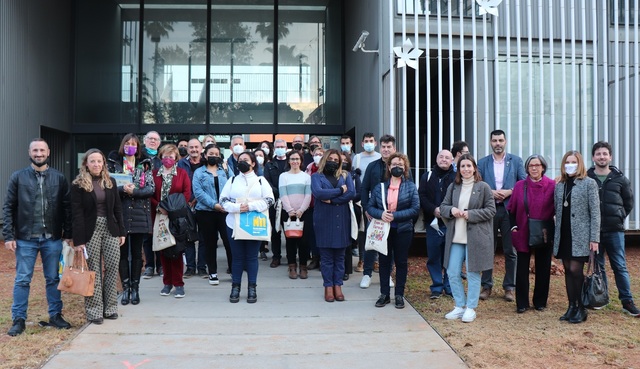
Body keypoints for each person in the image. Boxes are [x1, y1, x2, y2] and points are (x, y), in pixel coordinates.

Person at [4, 138, 73, 336]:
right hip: (26, 238)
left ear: (48, 152)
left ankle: (55, 315)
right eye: (35, 150)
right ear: (30, 152)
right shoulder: (18, 177)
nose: (39, 154)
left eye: (42, 150)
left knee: (52, 279)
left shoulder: (59, 178)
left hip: (52, 239)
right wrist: (8, 235)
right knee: (23, 280)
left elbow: (67, 208)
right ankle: (19, 319)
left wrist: (67, 235)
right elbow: (8, 207)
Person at [71, 149, 126, 324]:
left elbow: (118, 209)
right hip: (90, 230)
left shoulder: (110, 182)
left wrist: (122, 231)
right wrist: (79, 240)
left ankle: (110, 308)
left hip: (110, 229)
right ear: (86, 163)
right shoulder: (78, 185)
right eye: (92, 161)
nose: (96, 164)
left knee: (112, 266)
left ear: (104, 164)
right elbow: (76, 214)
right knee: (93, 269)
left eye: (99, 161)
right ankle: (94, 310)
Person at [440, 154, 496, 323]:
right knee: (452, 272)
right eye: (462, 166)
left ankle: (471, 308)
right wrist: (451, 210)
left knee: (473, 272)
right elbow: (443, 206)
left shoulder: (483, 187)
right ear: (458, 169)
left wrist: (470, 214)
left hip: (475, 237)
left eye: (469, 166)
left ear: (474, 168)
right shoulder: (454, 187)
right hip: (456, 237)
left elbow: (491, 210)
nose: (466, 169)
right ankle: (459, 305)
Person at [587, 142, 639, 316]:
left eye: (605, 154)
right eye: (598, 154)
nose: (602, 157)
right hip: (594, 232)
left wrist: (618, 216)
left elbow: (628, 203)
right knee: (598, 266)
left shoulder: (620, 179)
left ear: (610, 157)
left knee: (620, 266)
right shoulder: (587, 178)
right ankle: (601, 298)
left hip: (614, 230)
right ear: (593, 157)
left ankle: (627, 302)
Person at [476, 129, 526, 301]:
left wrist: (509, 192)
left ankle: (509, 287)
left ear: (505, 142)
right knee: (487, 248)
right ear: (490, 142)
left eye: (501, 140)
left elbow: (523, 183)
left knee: (510, 250)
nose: (498, 143)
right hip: (488, 210)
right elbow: (477, 183)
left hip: (509, 210)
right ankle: (486, 286)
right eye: (495, 140)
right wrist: (490, 192)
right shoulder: (482, 162)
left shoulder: (516, 161)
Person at [220, 151, 274, 303]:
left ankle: (252, 288)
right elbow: (223, 200)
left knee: (251, 258)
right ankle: (235, 287)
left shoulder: (261, 181)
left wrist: (250, 206)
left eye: (246, 159)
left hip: (254, 224)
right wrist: (237, 208)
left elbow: (270, 200)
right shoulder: (231, 180)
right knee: (236, 258)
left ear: (253, 163)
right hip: (234, 224)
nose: (242, 161)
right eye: (240, 159)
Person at [107, 134, 155, 306]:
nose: (130, 146)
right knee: (121, 254)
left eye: (134, 144)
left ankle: (135, 288)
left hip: (139, 213)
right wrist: (122, 190)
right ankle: (125, 288)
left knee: (136, 254)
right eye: (127, 143)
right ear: (122, 145)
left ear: (138, 147)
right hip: (119, 213)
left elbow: (151, 188)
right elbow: (108, 186)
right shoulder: (113, 163)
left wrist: (133, 192)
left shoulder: (145, 165)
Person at [368, 153, 420, 309]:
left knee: (401, 262)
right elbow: (370, 207)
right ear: (388, 167)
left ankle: (399, 295)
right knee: (384, 262)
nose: (397, 167)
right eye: (394, 164)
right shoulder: (380, 187)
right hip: (384, 230)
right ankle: (384, 294)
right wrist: (381, 214)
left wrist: (395, 216)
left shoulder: (410, 186)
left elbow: (415, 208)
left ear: (405, 168)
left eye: (401, 165)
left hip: (402, 230)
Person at [554, 150, 600, 324]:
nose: (569, 165)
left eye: (573, 162)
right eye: (567, 162)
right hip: (564, 234)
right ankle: (571, 305)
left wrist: (594, 238)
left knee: (575, 270)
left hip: (581, 235)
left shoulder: (589, 184)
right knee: (567, 270)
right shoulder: (560, 185)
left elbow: (595, 213)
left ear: (579, 163)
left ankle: (581, 308)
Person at [506, 154, 555, 313]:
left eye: (537, 165)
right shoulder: (520, 186)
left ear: (543, 167)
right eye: (531, 165)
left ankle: (540, 301)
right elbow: (511, 210)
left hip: (544, 232)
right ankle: (522, 303)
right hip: (523, 231)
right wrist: (514, 228)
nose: (534, 168)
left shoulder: (552, 185)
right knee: (521, 269)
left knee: (543, 267)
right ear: (527, 168)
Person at [311, 149, 355, 302]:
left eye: (336, 160)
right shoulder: (316, 176)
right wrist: (339, 191)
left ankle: (338, 286)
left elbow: (351, 193)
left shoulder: (345, 175)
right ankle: (328, 287)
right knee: (327, 258)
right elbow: (319, 193)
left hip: (341, 220)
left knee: (340, 257)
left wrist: (333, 200)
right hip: (323, 220)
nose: (333, 162)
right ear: (325, 159)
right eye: (331, 159)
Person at [151, 144, 191, 298]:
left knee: (177, 250)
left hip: (177, 217)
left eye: (171, 156)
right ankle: (167, 283)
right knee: (163, 249)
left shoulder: (182, 173)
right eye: (165, 156)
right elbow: (150, 193)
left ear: (176, 158)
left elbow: (186, 193)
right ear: (161, 157)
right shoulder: (155, 174)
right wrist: (160, 207)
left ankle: (179, 284)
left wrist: (174, 210)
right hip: (160, 215)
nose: (168, 159)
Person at [360, 134, 399, 289]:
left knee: (390, 246)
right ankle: (367, 274)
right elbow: (364, 188)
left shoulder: (399, 166)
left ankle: (387, 274)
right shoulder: (372, 166)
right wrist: (365, 208)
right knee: (372, 243)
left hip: (393, 213)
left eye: (389, 147)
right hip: (374, 212)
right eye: (383, 146)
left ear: (394, 148)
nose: (386, 149)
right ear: (379, 147)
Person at [419, 149, 455, 299]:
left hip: (452, 223)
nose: (444, 160)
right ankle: (437, 286)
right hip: (432, 223)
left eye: (447, 157)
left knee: (451, 256)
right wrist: (433, 209)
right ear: (436, 158)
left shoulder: (457, 177)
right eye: (441, 156)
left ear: (452, 161)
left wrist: (447, 211)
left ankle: (449, 285)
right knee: (434, 256)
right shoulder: (427, 176)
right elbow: (422, 196)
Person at [192, 144, 231, 286]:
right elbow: (198, 192)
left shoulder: (225, 170)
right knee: (210, 243)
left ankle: (232, 270)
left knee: (228, 241)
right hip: (206, 212)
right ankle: (212, 272)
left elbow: (233, 186)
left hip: (225, 212)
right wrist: (214, 205)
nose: (214, 156)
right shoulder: (199, 172)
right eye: (211, 153)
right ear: (205, 155)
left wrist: (225, 205)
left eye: (216, 154)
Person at [278, 150, 312, 279]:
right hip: (288, 213)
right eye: (292, 159)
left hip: (303, 212)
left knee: (304, 241)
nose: (295, 161)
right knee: (290, 241)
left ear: (301, 161)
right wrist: (289, 210)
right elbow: (283, 194)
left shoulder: (306, 177)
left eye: (297, 159)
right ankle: (292, 266)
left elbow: (308, 195)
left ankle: (303, 266)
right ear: (288, 161)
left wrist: (301, 210)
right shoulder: (283, 176)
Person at [353, 133, 383, 275]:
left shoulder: (379, 157)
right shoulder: (357, 158)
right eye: (366, 141)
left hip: (378, 200)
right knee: (363, 230)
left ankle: (376, 260)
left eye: (371, 141)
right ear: (362, 143)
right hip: (362, 199)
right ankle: (362, 259)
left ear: (375, 143)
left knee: (377, 229)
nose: (369, 143)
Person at [177, 138, 206, 277]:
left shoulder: (206, 163)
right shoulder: (181, 164)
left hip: (203, 205)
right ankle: (190, 267)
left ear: (201, 149)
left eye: (196, 147)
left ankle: (201, 267)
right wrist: (187, 200)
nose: (194, 150)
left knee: (203, 237)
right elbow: (178, 183)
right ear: (187, 149)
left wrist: (196, 198)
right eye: (191, 147)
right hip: (185, 204)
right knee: (187, 237)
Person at [263, 139, 289, 267]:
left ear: (286, 147)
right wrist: (279, 193)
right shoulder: (269, 164)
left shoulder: (291, 162)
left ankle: (291, 258)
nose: (280, 148)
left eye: (282, 146)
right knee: (275, 231)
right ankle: (276, 257)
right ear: (274, 148)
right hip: (275, 202)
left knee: (290, 231)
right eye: (277, 146)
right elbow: (267, 182)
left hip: (290, 201)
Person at [142, 131, 163, 279]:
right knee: (147, 236)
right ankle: (149, 265)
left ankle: (161, 265)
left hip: (159, 202)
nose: (153, 141)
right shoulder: (139, 158)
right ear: (144, 141)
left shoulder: (162, 160)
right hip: (142, 202)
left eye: (156, 139)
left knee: (160, 234)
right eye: (150, 138)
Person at [341, 153, 360, 280]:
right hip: (336, 208)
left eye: (345, 160)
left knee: (347, 240)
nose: (342, 163)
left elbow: (358, 192)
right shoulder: (332, 175)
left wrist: (348, 198)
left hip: (351, 208)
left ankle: (347, 269)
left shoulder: (353, 175)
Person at [305, 146, 325, 270]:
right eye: (316, 154)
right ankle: (315, 258)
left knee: (323, 233)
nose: (318, 156)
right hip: (310, 205)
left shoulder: (327, 169)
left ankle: (323, 259)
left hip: (324, 205)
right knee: (312, 234)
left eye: (321, 154)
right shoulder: (308, 169)